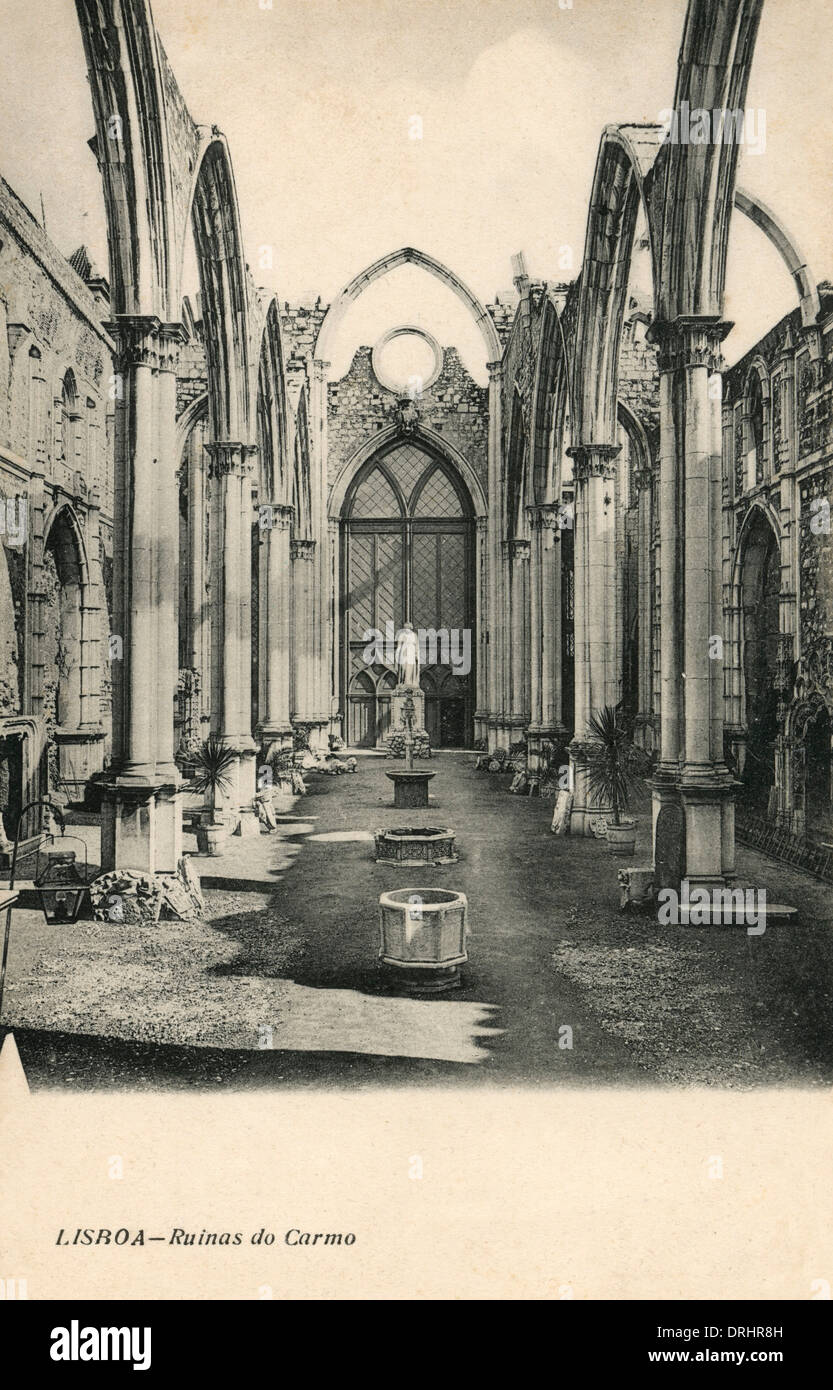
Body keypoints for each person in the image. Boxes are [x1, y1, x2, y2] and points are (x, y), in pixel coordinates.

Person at [394, 621, 420, 687]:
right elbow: (399, 646)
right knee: (403, 667)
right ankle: (403, 682)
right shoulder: (401, 635)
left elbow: (417, 646)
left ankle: (409, 682)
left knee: (410, 666)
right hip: (404, 652)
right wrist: (397, 656)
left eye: (408, 627)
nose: (406, 629)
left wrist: (417, 654)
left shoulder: (414, 635)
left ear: (411, 628)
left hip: (411, 652)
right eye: (405, 627)